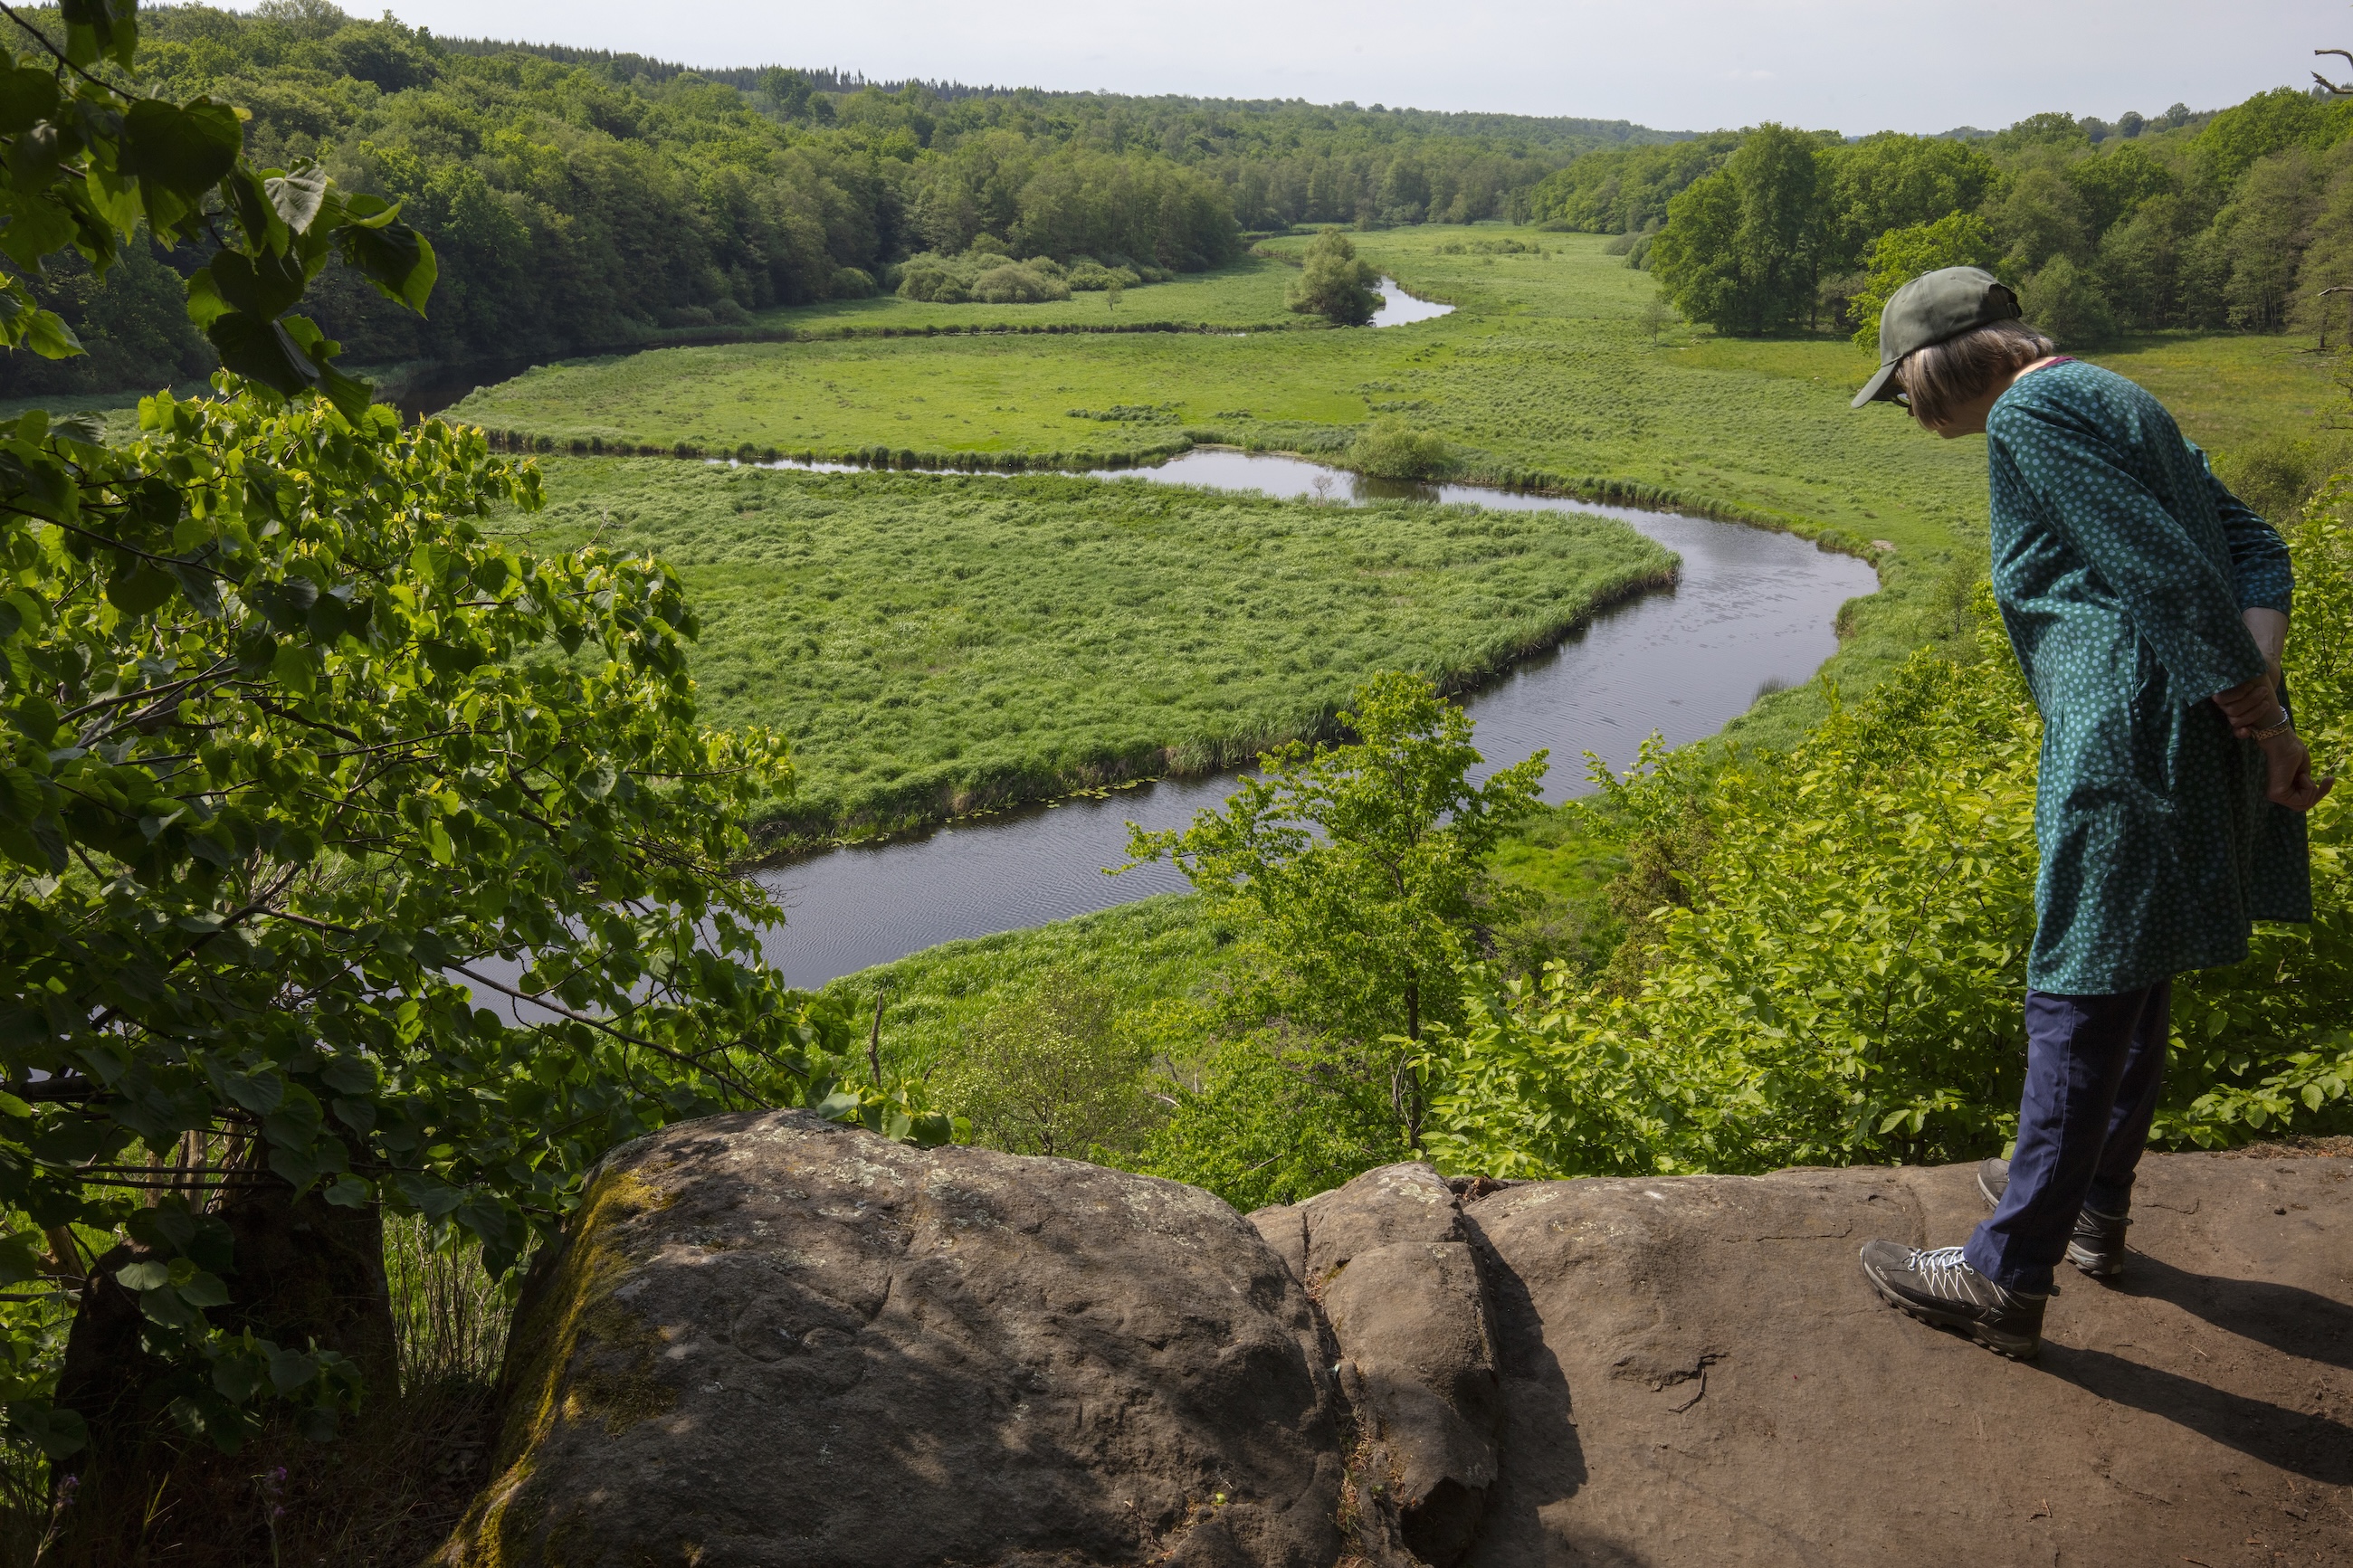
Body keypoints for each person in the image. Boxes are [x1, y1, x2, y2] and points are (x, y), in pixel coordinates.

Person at [1846, 267, 2333, 1359]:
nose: (1904, 407)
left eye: (1899, 385)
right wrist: (2251, 705)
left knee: (2074, 978)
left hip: (2123, 733)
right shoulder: (2118, 395)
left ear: (1939, 363)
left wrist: (2262, 721)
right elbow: (2254, 545)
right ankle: (2092, 1207)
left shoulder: (2025, 409)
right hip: (2184, 722)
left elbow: (2159, 573)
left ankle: (2000, 1271)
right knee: (2132, 964)